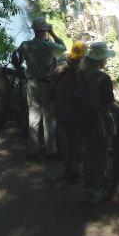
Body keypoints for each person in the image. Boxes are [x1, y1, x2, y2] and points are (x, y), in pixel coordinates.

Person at [16, 17, 66, 158]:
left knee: (33, 118)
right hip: (46, 85)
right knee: (49, 119)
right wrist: (53, 33)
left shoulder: (25, 45)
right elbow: (63, 47)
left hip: (31, 84)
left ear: (34, 30)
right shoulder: (50, 47)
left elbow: (16, 55)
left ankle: (32, 150)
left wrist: (20, 66)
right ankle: (51, 151)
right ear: (45, 31)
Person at [77, 41, 117, 204]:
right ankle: (96, 191)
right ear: (101, 60)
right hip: (101, 121)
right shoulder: (104, 78)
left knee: (88, 155)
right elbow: (108, 104)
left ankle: (87, 189)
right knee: (100, 158)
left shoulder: (82, 73)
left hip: (85, 118)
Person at [53, 41, 88, 183]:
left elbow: (52, 87)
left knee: (65, 141)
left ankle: (67, 169)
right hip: (76, 111)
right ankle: (74, 171)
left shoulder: (60, 67)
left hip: (60, 110)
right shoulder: (84, 72)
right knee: (78, 143)